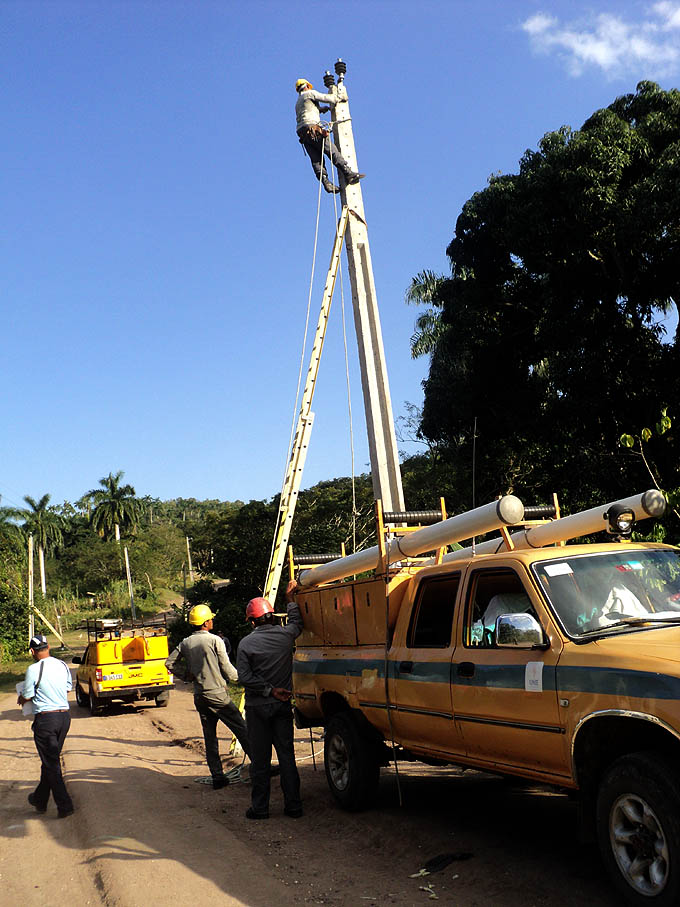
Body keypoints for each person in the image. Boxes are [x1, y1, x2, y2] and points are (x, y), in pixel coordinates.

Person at [237, 579, 303, 819]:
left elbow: (244, 677)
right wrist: (290, 599)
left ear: (253, 621)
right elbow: (297, 623)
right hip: (283, 706)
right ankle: (294, 806)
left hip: (258, 708)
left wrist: (267, 690)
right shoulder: (286, 636)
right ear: (272, 616)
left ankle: (260, 808)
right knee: (287, 757)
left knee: (261, 761)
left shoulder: (246, 643)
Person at [166, 604, 250, 789]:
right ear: (205, 622)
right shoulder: (215, 641)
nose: (212, 620)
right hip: (217, 695)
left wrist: (186, 676)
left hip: (200, 696)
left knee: (210, 736)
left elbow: (169, 663)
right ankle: (262, 768)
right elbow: (228, 669)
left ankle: (218, 776)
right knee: (241, 729)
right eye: (210, 618)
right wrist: (245, 680)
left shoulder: (186, 642)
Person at [18, 634, 74, 818]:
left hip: (46, 721)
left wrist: (22, 698)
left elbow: (27, 694)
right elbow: (67, 688)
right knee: (50, 760)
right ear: (48, 647)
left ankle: (65, 806)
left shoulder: (33, 669)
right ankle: (40, 799)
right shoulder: (62, 665)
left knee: (51, 763)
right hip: (64, 718)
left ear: (32, 651)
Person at [295, 78, 365, 193]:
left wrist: (321, 110)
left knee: (316, 159)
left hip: (303, 134)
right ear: (307, 86)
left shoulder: (298, 102)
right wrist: (339, 97)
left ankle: (326, 182)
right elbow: (328, 98)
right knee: (331, 150)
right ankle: (347, 172)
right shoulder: (310, 93)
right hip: (313, 129)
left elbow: (308, 110)